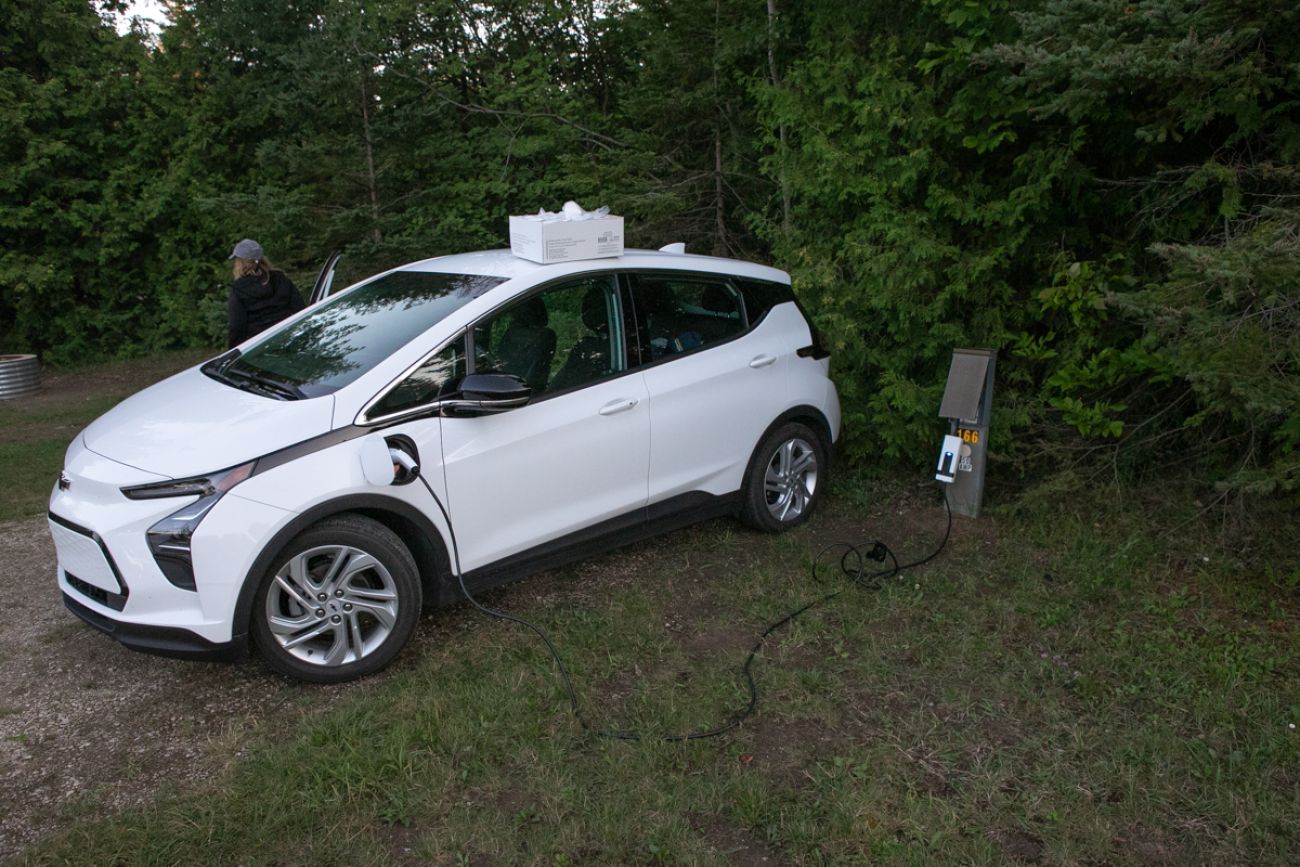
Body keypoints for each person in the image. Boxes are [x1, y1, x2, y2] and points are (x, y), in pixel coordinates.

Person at [226, 238, 305, 348]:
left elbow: (237, 325)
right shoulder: (280, 278)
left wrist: (233, 350)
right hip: (289, 336)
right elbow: (299, 307)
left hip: (260, 345)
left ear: (240, 262)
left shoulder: (238, 289)